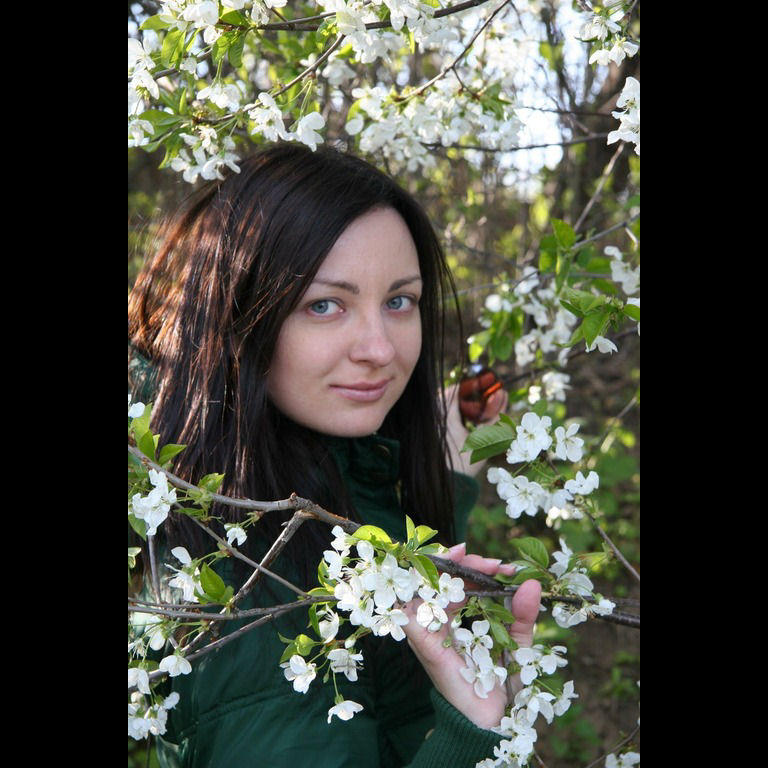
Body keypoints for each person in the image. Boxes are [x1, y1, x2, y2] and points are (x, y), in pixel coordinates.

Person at [128, 142, 542, 768]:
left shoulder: (306, 470)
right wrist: (470, 733)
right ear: (236, 316)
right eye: (324, 305)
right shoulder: (244, 593)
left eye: (399, 301)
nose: (380, 348)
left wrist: (444, 481)